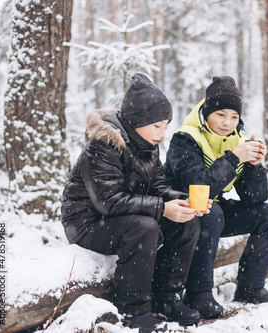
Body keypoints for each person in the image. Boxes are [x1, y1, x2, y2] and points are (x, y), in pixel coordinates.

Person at [61, 73, 211, 332]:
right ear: (137, 120)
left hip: (122, 217)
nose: (162, 133)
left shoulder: (147, 144)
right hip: (86, 222)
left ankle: (166, 299)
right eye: (157, 125)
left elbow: (159, 186)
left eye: (165, 125)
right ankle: (133, 311)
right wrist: (163, 209)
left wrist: (181, 201)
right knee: (145, 228)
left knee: (187, 222)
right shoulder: (102, 144)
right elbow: (108, 201)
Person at [164, 76, 268, 320]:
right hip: (178, 213)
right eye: (220, 114)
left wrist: (254, 166)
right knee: (212, 211)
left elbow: (255, 198)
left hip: (211, 212)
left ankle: (251, 288)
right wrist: (233, 158)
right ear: (207, 112)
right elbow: (198, 187)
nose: (227, 123)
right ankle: (198, 294)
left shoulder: (237, 140)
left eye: (234, 116)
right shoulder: (185, 138)